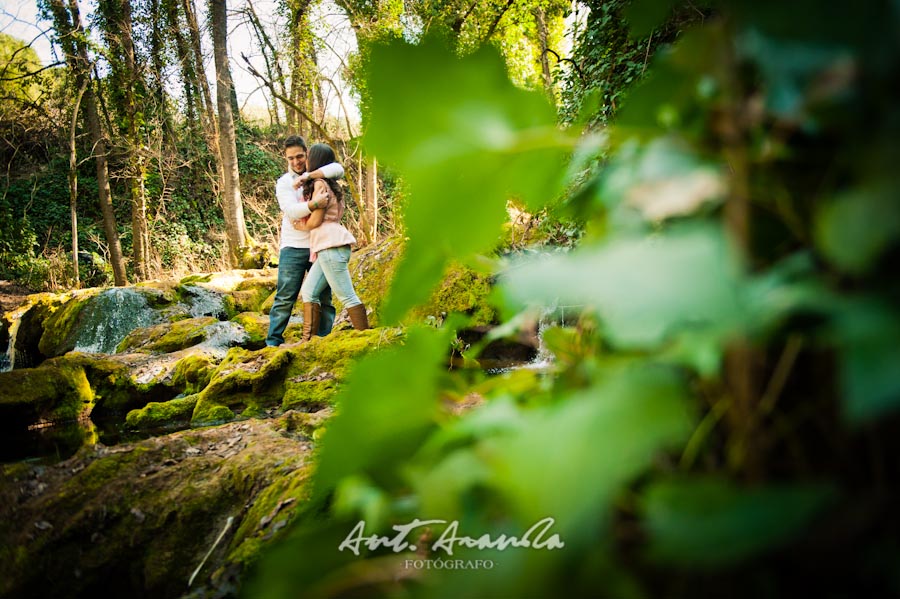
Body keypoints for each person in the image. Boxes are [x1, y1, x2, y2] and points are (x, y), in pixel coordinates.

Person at [265, 135, 344, 347]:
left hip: (320, 246)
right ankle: (272, 343)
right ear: (286, 159)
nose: (296, 162)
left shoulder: (321, 177)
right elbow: (291, 210)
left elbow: (339, 168)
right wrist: (314, 204)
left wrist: (309, 175)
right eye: (290, 158)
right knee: (285, 297)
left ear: (307, 153)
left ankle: (322, 340)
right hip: (293, 247)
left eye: (299, 156)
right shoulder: (284, 183)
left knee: (324, 297)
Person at [296, 143, 369, 341]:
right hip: (330, 245)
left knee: (347, 295)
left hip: (330, 245)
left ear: (316, 160)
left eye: (309, 157)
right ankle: (307, 342)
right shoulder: (331, 184)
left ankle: (367, 340)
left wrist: (301, 226)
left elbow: (317, 219)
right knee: (309, 291)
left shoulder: (319, 184)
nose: (306, 161)